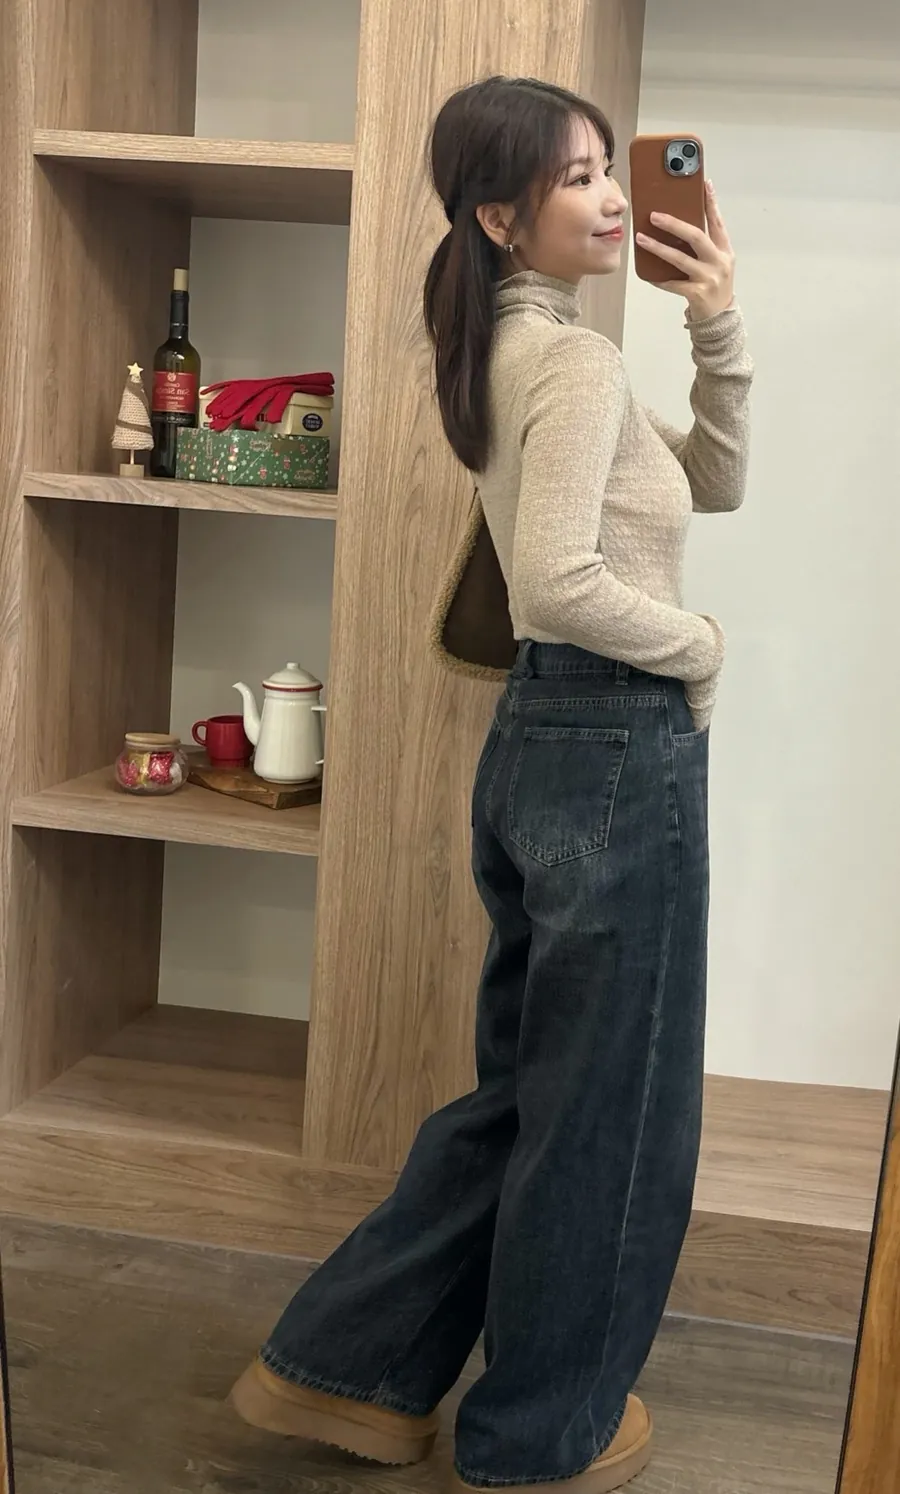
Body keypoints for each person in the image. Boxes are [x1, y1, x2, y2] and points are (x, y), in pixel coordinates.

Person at [230, 75, 752, 1494]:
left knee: (534, 1091)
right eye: (576, 177)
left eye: (608, 168)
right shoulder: (567, 363)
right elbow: (560, 585)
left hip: (543, 744)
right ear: (500, 218)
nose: (612, 196)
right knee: (614, 1110)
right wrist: (702, 650)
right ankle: (541, 1434)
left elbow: (710, 482)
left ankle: (343, 1365)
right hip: (613, 738)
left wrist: (714, 324)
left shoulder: (523, 348)